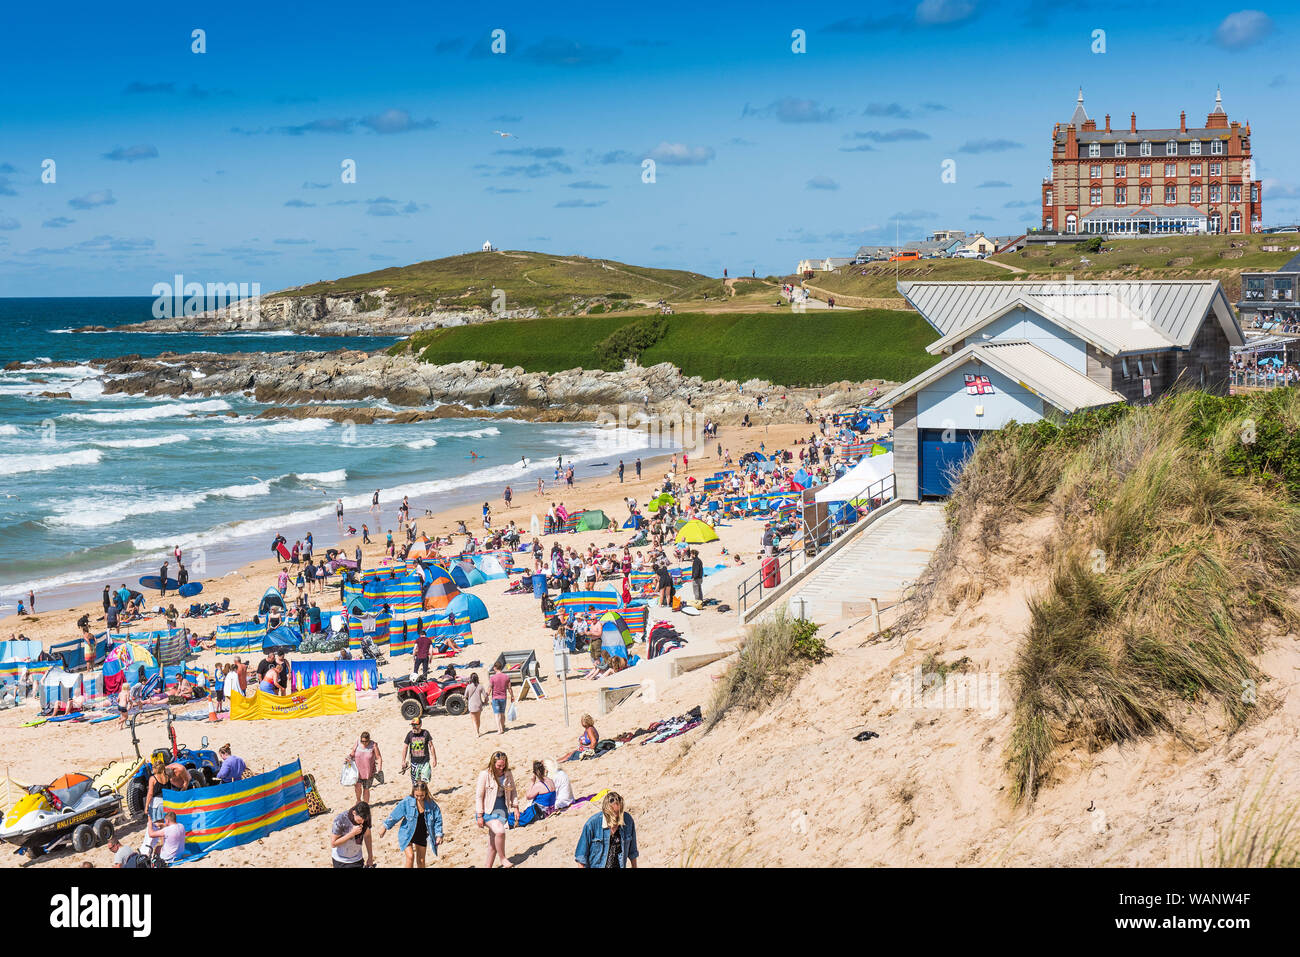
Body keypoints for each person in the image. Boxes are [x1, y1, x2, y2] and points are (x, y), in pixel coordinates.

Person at [379, 781, 443, 868]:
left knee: (421, 861)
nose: (419, 798)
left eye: (422, 795)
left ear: (426, 793)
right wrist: (385, 826)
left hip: (421, 834)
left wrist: (439, 835)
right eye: (417, 795)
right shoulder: (407, 802)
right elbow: (395, 815)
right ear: (413, 793)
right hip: (407, 833)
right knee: (410, 856)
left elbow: (438, 819)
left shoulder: (431, 805)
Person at [474, 751, 518, 868]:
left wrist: (516, 807)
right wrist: (479, 815)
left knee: (493, 843)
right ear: (493, 764)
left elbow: (513, 791)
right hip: (487, 811)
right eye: (498, 766)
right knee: (500, 831)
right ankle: (503, 859)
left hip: (501, 810)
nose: (501, 768)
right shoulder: (484, 774)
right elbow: (479, 796)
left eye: (503, 765)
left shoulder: (508, 773)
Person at [574, 791, 638, 868]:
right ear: (605, 812)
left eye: (619, 813)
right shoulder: (592, 824)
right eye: (614, 814)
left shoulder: (628, 820)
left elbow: (632, 851)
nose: (617, 818)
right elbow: (581, 856)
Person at [330, 803, 374, 868]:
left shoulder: (366, 818)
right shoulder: (341, 819)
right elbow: (333, 843)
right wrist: (352, 833)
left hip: (357, 859)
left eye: (364, 820)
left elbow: (367, 836)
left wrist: (370, 857)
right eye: (359, 820)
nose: (362, 822)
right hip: (340, 860)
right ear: (354, 813)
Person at [348, 731, 383, 804]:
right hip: (357, 771)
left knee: (366, 789)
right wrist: (348, 757)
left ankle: (365, 804)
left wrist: (379, 770)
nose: (364, 743)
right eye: (362, 741)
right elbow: (353, 752)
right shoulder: (357, 742)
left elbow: (379, 757)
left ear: (369, 739)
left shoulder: (373, 745)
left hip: (369, 772)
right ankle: (358, 800)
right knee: (357, 787)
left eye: (365, 741)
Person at [402, 716, 436, 784]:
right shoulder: (410, 734)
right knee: (415, 783)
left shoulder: (426, 733)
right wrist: (403, 761)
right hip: (414, 763)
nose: (413, 727)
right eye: (412, 725)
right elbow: (405, 747)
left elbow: (431, 746)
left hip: (425, 762)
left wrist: (434, 759)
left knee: (425, 782)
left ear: (420, 725)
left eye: (415, 725)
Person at [488, 663, 513, 734]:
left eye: (494, 667)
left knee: (497, 714)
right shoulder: (506, 677)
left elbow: (490, 688)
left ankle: (500, 729)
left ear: (495, 668)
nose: (493, 668)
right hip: (503, 698)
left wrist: (487, 695)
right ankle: (502, 726)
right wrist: (512, 696)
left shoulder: (492, 678)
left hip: (495, 698)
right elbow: (509, 688)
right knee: (502, 713)